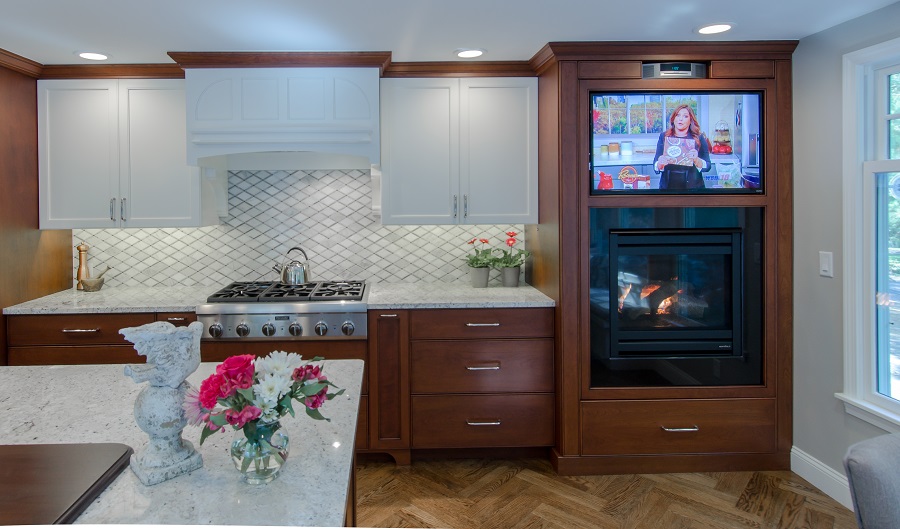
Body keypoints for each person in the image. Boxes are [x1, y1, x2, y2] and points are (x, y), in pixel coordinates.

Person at [652, 104, 712, 189]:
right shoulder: (664, 136)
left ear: (690, 120)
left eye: (685, 116)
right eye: (678, 115)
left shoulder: (699, 137)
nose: (680, 119)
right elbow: (655, 164)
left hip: (693, 190)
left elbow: (708, 166)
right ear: (674, 118)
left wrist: (696, 160)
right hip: (668, 189)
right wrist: (660, 164)